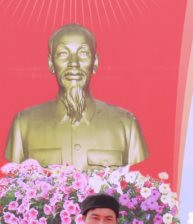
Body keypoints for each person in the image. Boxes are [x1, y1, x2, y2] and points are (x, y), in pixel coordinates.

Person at [5, 24, 147, 169]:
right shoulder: (24, 124)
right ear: (51, 63)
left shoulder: (126, 125)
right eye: (63, 54)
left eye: (83, 53)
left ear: (95, 62)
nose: (74, 63)